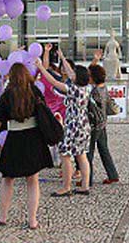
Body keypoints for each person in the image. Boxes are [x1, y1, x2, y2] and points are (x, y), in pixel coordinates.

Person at [0, 63, 53, 230]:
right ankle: (32, 220)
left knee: (7, 178)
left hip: (14, 138)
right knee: (33, 180)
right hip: (34, 138)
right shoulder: (34, 91)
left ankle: (2, 217)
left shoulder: (7, 94)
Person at [36, 50, 92, 197]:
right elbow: (71, 72)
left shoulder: (72, 89)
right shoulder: (86, 88)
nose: (70, 74)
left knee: (65, 155)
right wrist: (62, 56)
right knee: (81, 155)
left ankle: (66, 187)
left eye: (73, 74)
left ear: (77, 77)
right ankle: (84, 186)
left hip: (73, 126)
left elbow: (53, 82)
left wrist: (41, 68)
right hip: (84, 125)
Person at [85, 64, 120, 186]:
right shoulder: (104, 88)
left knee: (88, 153)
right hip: (102, 123)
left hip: (93, 125)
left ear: (93, 77)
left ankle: (87, 179)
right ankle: (113, 174)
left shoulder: (93, 92)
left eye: (89, 75)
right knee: (104, 149)